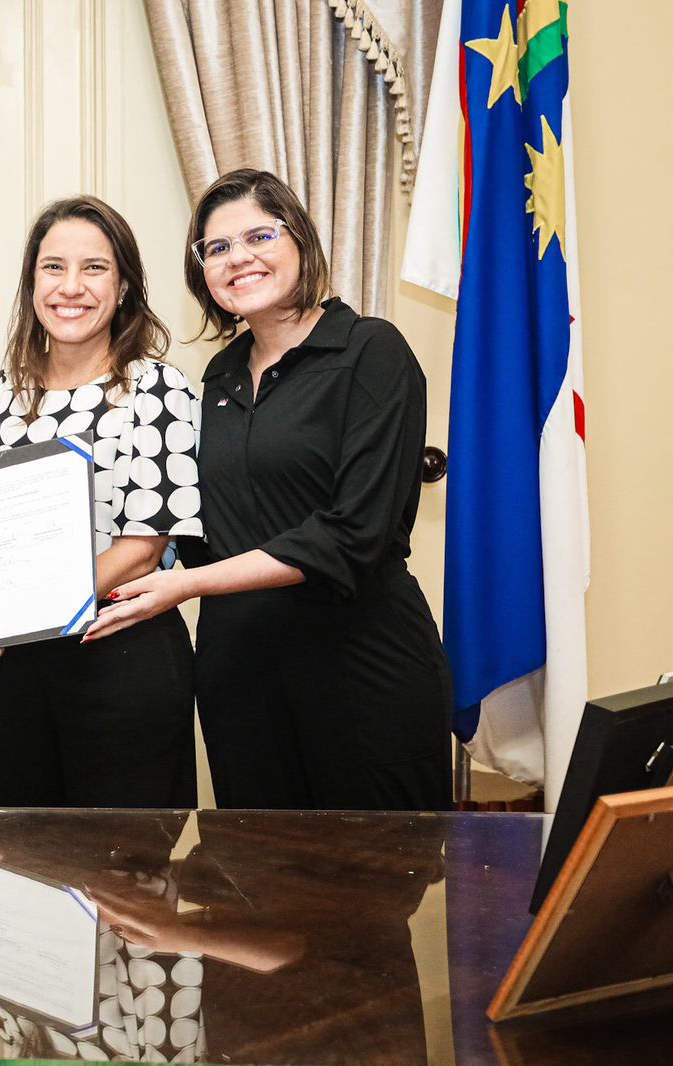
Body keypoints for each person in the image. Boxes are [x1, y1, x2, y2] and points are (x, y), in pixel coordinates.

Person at [84, 168, 452, 812]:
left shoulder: (371, 350)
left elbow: (352, 534)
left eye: (259, 235)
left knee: (376, 897)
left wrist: (188, 584)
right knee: (256, 896)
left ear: (300, 242)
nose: (239, 259)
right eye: (217, 248)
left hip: (361, 671)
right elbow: (192, 523)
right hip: (241, 683)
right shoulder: (218, 379)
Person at [0, 196, 201, 808]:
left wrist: (21, 610)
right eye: (53, 268)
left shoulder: (159, 389)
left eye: (95, 268)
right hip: (17, 670)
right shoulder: (5, 393)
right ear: (31, 285)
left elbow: (142, 548)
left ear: (125, 284)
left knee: (123, 883)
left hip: (119, 652)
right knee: (20, 879)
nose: (70, 287)